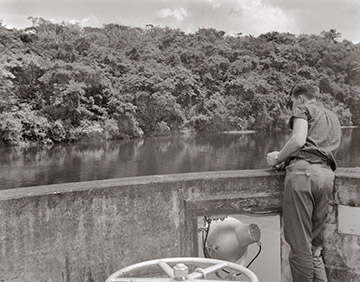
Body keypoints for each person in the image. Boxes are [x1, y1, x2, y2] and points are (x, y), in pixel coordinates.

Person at [266, 81, 341, 282]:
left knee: (299, 243)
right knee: (314, 245)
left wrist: (278, 157)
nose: (293, 107)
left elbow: (299, 140)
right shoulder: (333, 117)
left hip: (303, 175)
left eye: (292, 102)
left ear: (299, 98)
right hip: (326, 176)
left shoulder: (303, 109)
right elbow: (322, 148)